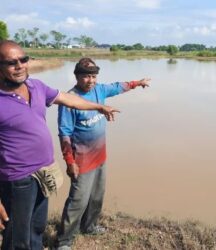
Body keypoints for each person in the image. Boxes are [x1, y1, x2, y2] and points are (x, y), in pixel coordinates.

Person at [0, 40, 117, 250]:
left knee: (36, 228)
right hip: (17, 179)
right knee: (17, 237)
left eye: (23, 59)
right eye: (11, 62)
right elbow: (66, 129)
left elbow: (70, 100)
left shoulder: (36, 86)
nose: (19, 66)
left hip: (44, 171)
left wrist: (98, 106)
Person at [55, 58, 150, 249]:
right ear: (77, 76)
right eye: (86, 76)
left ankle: (89, 226)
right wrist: (69, 161)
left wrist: (136, 83)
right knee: (78, 201)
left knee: (97, 196)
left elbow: (117, 87)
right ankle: (64, 241)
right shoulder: (69, 100)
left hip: (100, 156)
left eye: (93, 76)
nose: (90, 81)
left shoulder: (100, 90)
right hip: (81, 160)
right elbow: (64, 133)